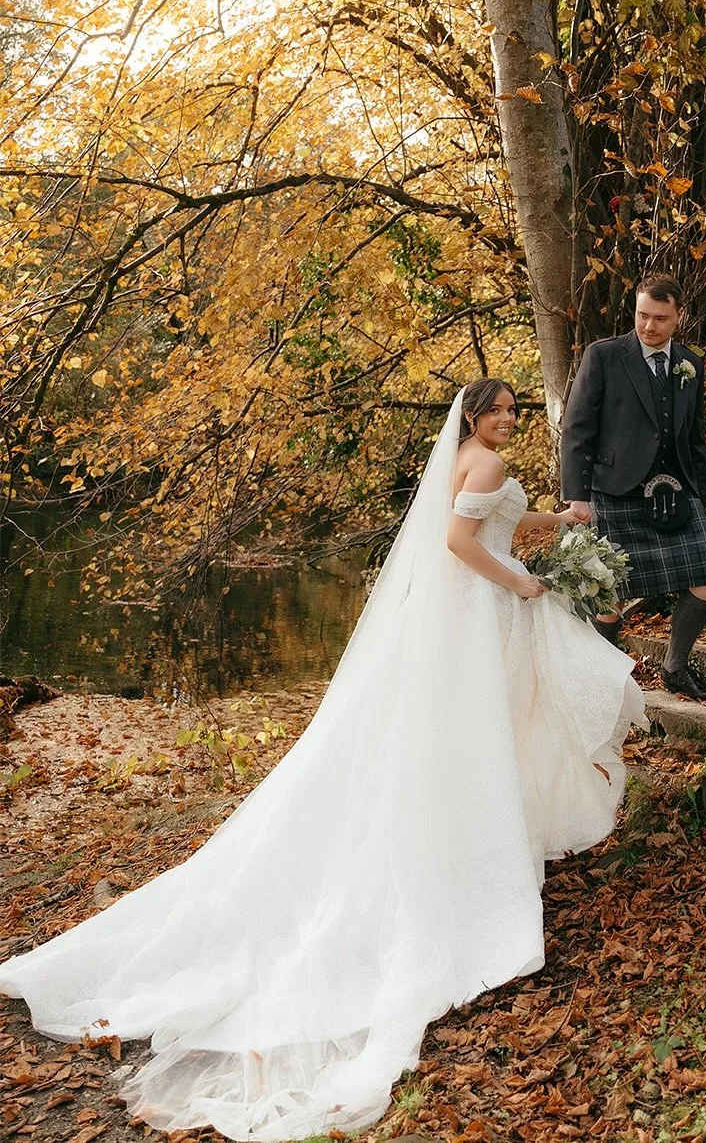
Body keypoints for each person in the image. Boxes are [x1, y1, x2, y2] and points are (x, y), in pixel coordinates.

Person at [0, 380, 645, 1143]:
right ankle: (466, 861)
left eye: (512, 411)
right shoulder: (486, 463)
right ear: (474, 417)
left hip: (465, 615)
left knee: (463, 740)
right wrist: (525, 582)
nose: (508, 419)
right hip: (479, 608)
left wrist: (559, 518)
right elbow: (461, 543)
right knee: (471, 737)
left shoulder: (474, 461)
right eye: (499, 410)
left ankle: (472, 841)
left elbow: (495, 515)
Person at [561, 275, 706, 701]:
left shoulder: (690, 364)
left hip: (676, 493)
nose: (649, 326)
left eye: (660, 318)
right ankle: (600, 681)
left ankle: (675, 668)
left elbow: (693, 437)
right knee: (609, 595)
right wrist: (577, 495)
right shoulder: (604, 356)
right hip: (614, 491)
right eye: (642, 315)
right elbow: (576, 429)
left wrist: (701, 495)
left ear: (679, 316)